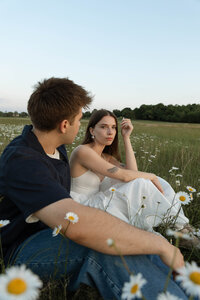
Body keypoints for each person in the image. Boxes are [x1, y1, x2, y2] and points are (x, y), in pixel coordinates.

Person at [0, 78, 189, 300]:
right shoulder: (23, 160)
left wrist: (158, 245)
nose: (81, 125)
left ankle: (187, 287)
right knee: (103, 246)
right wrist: (160, 244)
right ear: (64, 125)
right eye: (79, 119)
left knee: (130, 239)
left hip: (52, 229)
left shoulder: (52, 146)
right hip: (23, 249)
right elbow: (76, 225)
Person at [70, 109, 189, 234]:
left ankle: (180, 226)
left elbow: (133, 173)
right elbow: (125, 176)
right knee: (145, 182)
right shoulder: (82, 151)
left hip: (99, 201)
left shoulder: (107, 157)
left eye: (114, 127)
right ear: (92, 130)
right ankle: (179, 228)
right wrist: (151, 176)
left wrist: (126, 137)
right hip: (82, 207)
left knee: (160, 182)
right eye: (104, 127)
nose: (110, 132)